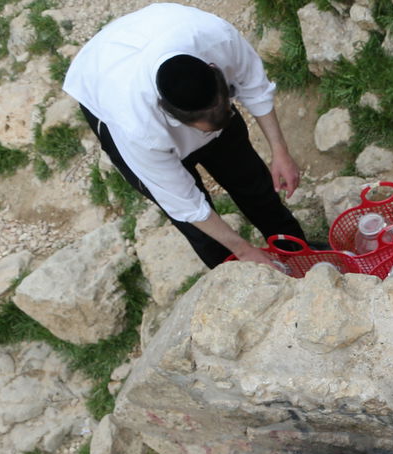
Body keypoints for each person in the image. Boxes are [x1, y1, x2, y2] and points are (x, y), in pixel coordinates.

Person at [63, 3, 309, 268]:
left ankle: (298, 256)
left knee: (250, 179)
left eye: (224, 110)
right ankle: (232, 272)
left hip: (160, 33)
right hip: (103, 73)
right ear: (172, 115)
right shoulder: (137, 126)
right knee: (203, 231)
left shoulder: (217, 38)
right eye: (204, 129)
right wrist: (243, 249)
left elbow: (255, 87)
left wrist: (279, 151)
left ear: (215, 73)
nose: (211, 133)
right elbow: (186, 204)